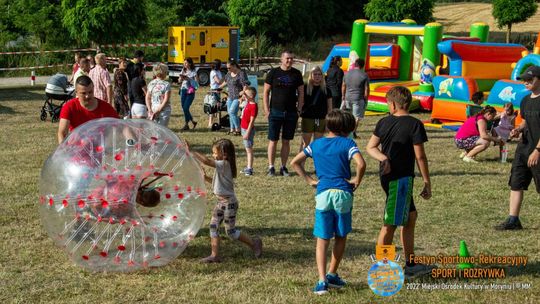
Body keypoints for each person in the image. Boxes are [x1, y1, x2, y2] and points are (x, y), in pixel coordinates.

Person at [290, 110, 366, 295]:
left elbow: (295, 162)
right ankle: (333, 273)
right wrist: (356, 180)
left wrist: (309, 180)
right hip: (343, 194)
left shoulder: (316, 144)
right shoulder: (348, 143)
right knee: (340, 235)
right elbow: (361, 164)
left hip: (323, 194)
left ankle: (322, 280)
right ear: (346, 129)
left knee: (322, 239)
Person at [365, 86, 433, 279]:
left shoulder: (383, 122)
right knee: (391, 223)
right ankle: (382, 266)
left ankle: (411, 263)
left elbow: (370, 147)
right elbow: (420, 156)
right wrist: (427, 181)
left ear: (393, 104)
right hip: (399, 179)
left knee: (410, 217)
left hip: (393, 178)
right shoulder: (414, 124)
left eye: (388, 104)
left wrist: (382, 158)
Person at [190, 139, 263, 263]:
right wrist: (206, 178)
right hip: (220, 203)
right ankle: (214, 255)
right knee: (213, 227)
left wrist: (191, 151)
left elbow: (206, 161)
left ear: (224, 154)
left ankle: (254, 243)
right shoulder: (222, 166)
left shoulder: (224, 164)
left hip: (229, 204)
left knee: (231, 232)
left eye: (214, 153)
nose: (213, 155)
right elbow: (218, 186)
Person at [495, 65, 540, 230]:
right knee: (516, 182)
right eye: (524, 80)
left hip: (538, 150)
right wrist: (518, 129)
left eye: (530, 79)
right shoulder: (526, 100)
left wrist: (537, 151)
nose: (526, 82)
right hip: (524, 147)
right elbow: (526, 120)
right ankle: (513, 220)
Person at [263, 50, 304, 176]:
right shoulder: (273, 73)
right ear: (281, 59)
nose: (289, 61)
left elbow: (301, 92)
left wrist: (299, 109)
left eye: (291, 58)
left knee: (286, 141)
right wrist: (266, 110)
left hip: (291, 112)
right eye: (287, 58)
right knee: (273, 140)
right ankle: (271, 167)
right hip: (275, 111)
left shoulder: (297, 74)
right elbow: (265, 92)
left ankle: (283, 167)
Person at [57, 75, 118, 143]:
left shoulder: (106, 107)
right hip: (77, 150)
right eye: (83, 93)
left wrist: (130, 141)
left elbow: (122, 127)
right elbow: (62, 133)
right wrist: (63, 151)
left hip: (100, 149)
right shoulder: (69, 107)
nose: (87, 96)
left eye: (90, 92)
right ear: (76, 92)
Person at [300, 66, 333, 153]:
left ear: (322, 76)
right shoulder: (305, 88)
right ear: (311, 75)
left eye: (319, 74)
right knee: (305, 143)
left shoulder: (327, 90)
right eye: (315, 74)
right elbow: (300, 103)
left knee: (318, 143)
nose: (317, 76)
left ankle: (317, 163)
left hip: (321, 119)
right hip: (307, 118)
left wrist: (328, 122)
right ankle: (300, 163)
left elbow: (330, 107)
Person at [341, 58, 370, 139]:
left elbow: (343, 86)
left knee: (348, 116)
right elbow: (366, 89)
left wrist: (343, 96)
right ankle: (352, 133)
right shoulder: (364, 75)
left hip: (347, 97)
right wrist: (366, 99)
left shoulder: (346, 74)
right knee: (356, 117)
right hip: (358, 98)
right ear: (363, 65)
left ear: (355, 65)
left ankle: (347, 132)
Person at [220, 60, 250, 135]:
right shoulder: (229, 74)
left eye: (229, 68)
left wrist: (243, 94)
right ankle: (232, 129)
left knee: (232, 112)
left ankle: (238, 129)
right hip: (230, 96)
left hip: (238, 97)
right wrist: (218, 87)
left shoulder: (241, 73)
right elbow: (226, 82)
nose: (228, 69)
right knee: (230, 113)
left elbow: (245, 85)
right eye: (227, 68)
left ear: (234, 66)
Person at [240, 87, 258, 176]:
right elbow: (240, 95)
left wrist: (247, 132)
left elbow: (251, 121)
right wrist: (244, 92)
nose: (244, 95)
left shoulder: (253, 106)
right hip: (244, 129)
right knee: (247, 149)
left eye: (246, 94)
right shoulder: (248, 103)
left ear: (251, 96)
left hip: (248, 130)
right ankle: (248, 167)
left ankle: (250, 169)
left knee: (249, 150)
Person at [179, 57, 198, 130]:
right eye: (184, 63)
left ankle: (188, 123)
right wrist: (180, 78)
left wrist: (189, 79)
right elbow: (179, 81)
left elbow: (197, 84)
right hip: (183, 90)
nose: (184, 64)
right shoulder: (183, 70)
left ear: (190, 63)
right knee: (184, 108)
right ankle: (190, 123)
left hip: (190, 91)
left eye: (186, 63)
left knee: (186, 107)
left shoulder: (194, 72)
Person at [208, 59, 223, 128]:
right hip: (214, 91)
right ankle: (210, 123)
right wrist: (225, 79)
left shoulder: (218, 71)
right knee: (213, 107)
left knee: (218, 107)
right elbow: (218, 81)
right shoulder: (213, 72)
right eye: (220, 64)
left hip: (218, 90)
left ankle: (218, 122)